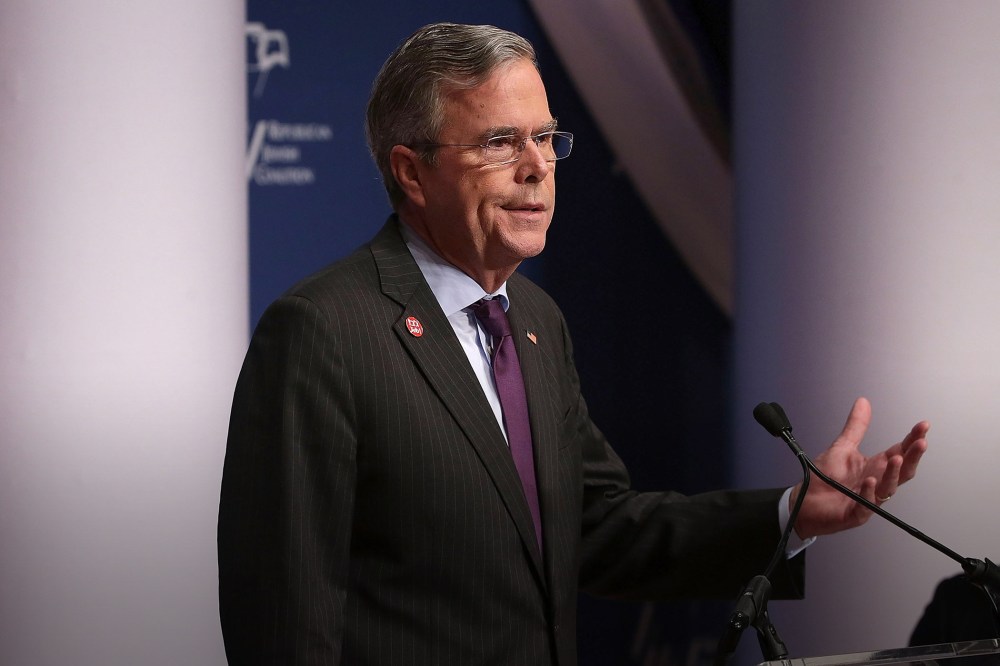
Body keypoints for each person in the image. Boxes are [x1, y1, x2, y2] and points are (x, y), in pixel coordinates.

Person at [217, 22, 929, 666]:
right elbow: (282, 617)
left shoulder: (533, 318)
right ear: (410, 170)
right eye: (501, 142)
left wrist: (791, 513)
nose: (538, 167)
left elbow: (596, 529)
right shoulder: (325, 330)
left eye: (545, 139)